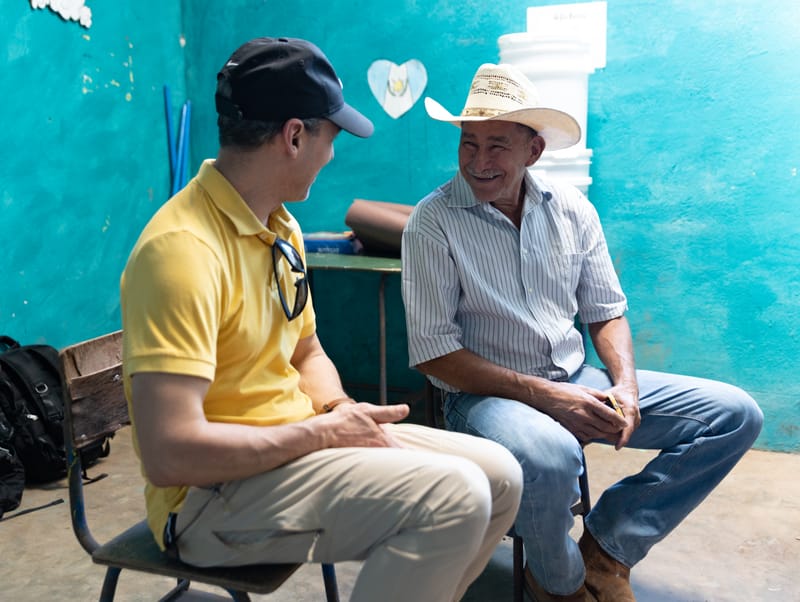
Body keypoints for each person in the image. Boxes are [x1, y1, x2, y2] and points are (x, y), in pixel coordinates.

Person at [120, 38, 523, 602]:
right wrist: (321, 433)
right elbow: (170, 455)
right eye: (330, 138)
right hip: (207, 498)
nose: (331, 154)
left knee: (501, 476)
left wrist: (339, 410)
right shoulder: (182, 252)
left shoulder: (279, 226)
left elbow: (305, 350)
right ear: (293, 136)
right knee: (454, 496)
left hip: (295, 446)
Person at [401, 63, 763, 602]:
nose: (478, 161)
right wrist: (547, 397)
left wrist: (625, 387)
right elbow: (435, 355)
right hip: (481, 398)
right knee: (551, 457)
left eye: (497, 145)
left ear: (534, 151)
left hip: (575, 377)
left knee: (734, 415)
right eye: (469, 143)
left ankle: (608, 547)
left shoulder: (571, 208)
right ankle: (558, 582)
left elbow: (606, 312)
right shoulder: (432, 222)